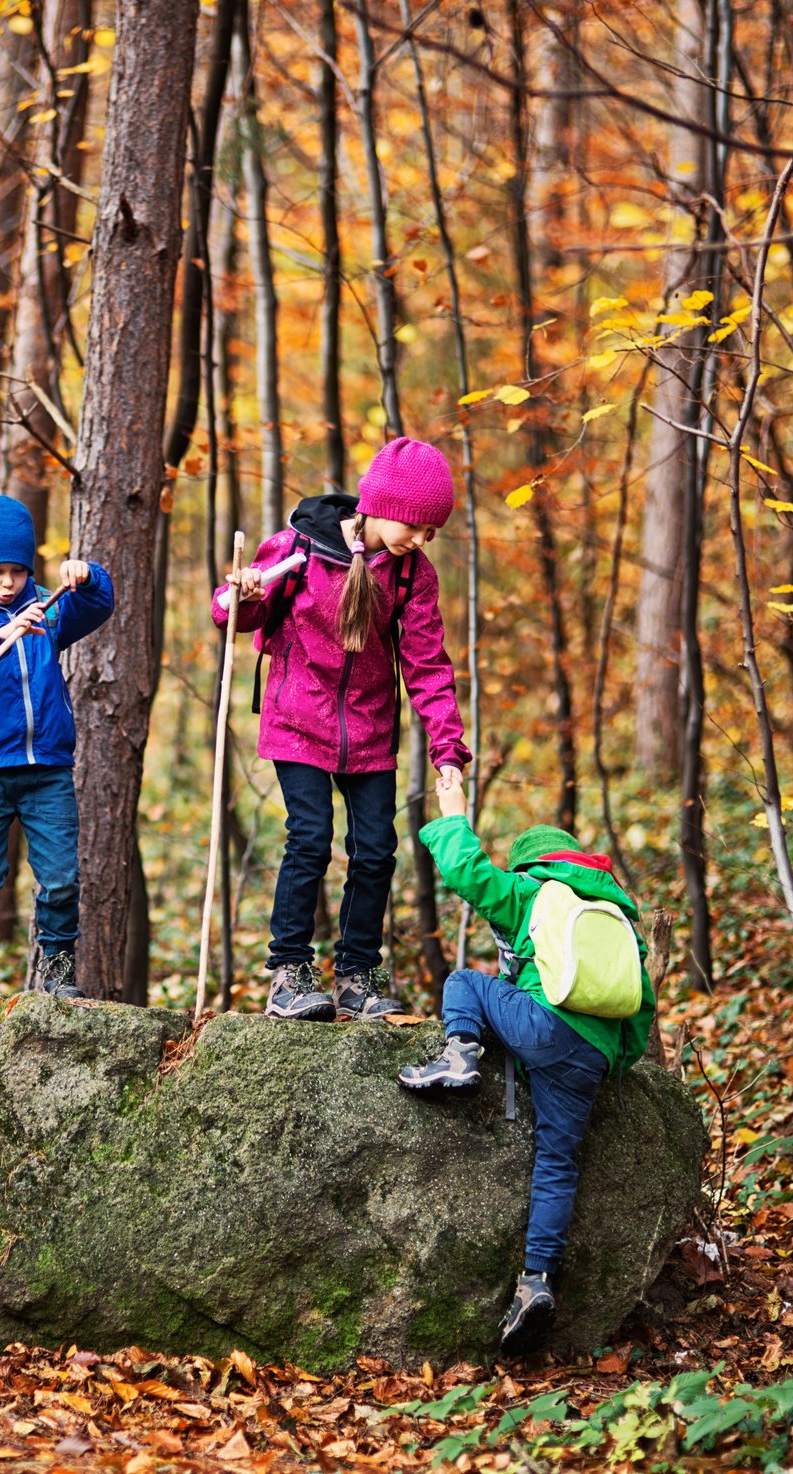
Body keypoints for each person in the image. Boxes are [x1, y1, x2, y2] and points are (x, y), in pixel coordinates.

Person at [400, 767, 659, 1355]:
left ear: (532, 864)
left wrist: (451, 815)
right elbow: (640, 1009)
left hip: (544, 1026)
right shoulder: (620, 919)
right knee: (557, 1162)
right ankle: (535, 1280)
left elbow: (468, 872)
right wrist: (612, 1065)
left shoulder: (534, 893)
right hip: (591, 1057)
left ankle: (460, 1055)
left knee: (467, 979)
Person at [213, 436, 470, 1023]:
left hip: (371, 729)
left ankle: (357, 973)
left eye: (432, 531)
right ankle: (289, 972)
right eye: (415, 524)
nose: (421, 539)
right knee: (309, 837)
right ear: (379, 504)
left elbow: (428, 665)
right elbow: (233, 614)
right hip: (298, 719)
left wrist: (447, 749)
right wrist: (243, 592)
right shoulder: (298, 547)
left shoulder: (412, 576)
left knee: (377, 849)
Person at [0, 496, 114, 999]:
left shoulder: (47, 609)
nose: (8, 583)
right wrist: (1, 630)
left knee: (59, 876)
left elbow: (98, 606)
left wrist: (89, 575)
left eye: (16, 570)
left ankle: (57, 966)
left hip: (46, 768)